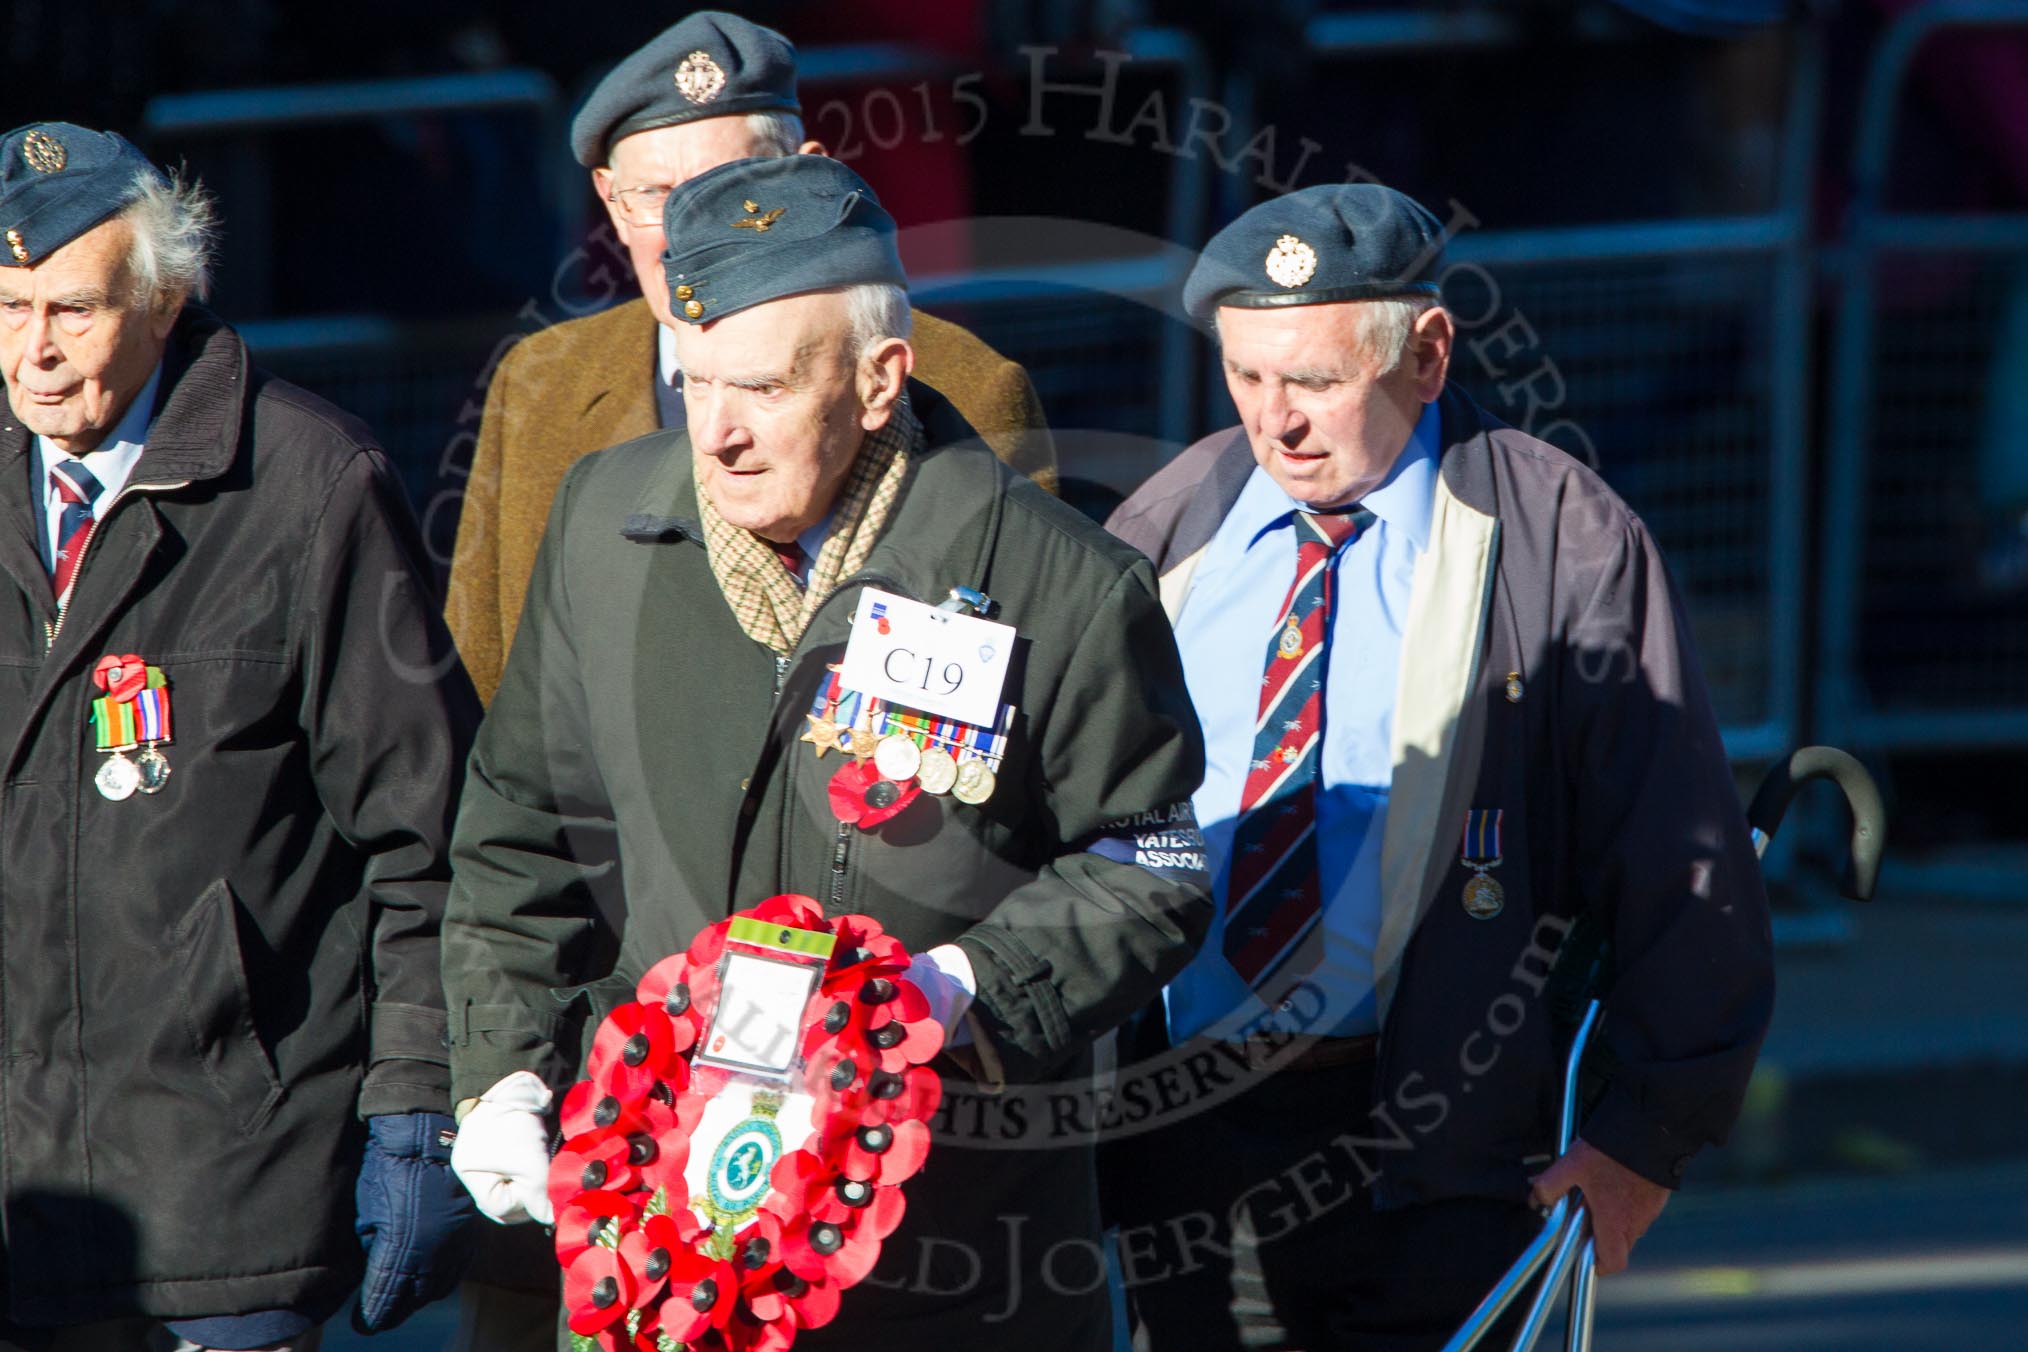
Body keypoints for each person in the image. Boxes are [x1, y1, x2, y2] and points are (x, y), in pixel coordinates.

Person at [441, 152, 1209, 1352]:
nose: (718, 434)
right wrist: (502, 1072)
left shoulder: (1053, 577)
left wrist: (961, 988)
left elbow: (1147, 862)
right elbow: (520, 828)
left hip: (952, 1258)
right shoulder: (605, 521)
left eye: (759, 388)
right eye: (694, 385)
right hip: (657, 1248)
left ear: (876, 378)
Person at [1103, 184, 1774, 1350]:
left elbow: (1683, 852)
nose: (1277, 422)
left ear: (1425, 354)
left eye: (1314, 380)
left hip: (1438, 1155)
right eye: (1247, 376)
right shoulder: (1177, 518)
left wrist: (1640, 1141)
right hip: (1189, 1145)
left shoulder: (1561, 534)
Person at [0, 124, 478, 1350]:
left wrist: (420, 1101)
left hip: (227, 1183)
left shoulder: (310, 486)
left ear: (164, 300)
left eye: (70, 309)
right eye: (5, 307)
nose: (33, 354)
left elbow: (428, 836)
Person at [446, 9, 1056, 706]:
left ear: (808, 175)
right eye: (654, 195)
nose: (685, 232)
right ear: (610, 205)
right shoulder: (540, 380)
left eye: (728, 190)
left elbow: (1010, 695)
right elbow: (485, 686)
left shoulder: (969, 386)